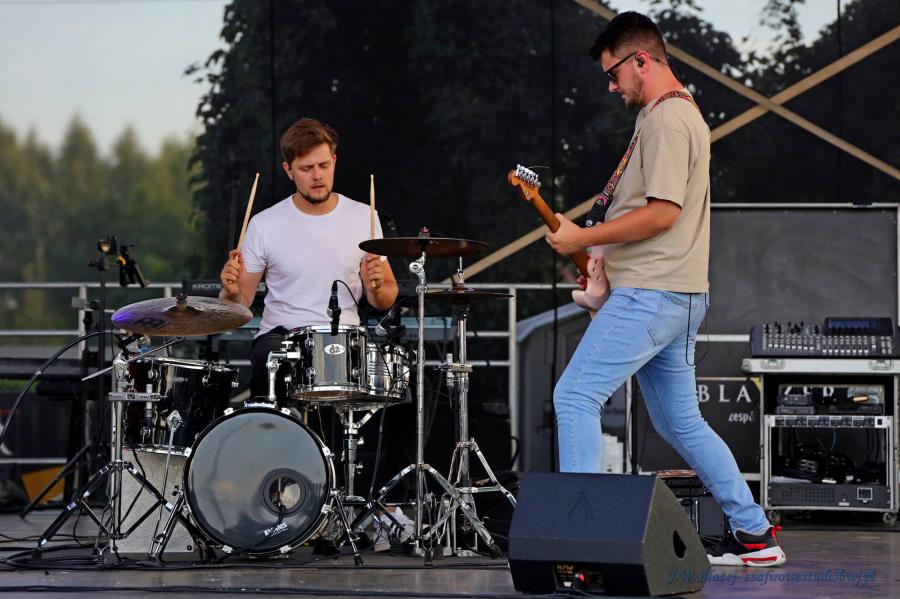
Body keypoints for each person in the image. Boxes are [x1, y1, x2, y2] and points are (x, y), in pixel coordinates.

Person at [545, 12, 785, 567]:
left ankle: (584, 544)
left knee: (574, 397)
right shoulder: (664, 116)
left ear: (641, 61)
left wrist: (584, 237)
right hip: (672, 292)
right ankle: (755, 535)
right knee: (681, 422)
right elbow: (647, 213)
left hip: (653, 295)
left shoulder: (668, 121)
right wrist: (603, 257)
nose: (612, 86)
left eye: (613, 74)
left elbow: (662, 214)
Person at [219, 117, 398, 400]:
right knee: (270, 361)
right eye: (306, 168)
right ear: (288, 170)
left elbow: (385, 298)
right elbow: (239, 305)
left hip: (345, 339)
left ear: (334, 161)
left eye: (324, 165)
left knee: (392, 388)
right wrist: (230, 293)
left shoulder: (364, 217)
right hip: (281, 339)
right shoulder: (264, 224)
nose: (317, 176)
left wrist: (376, 287)